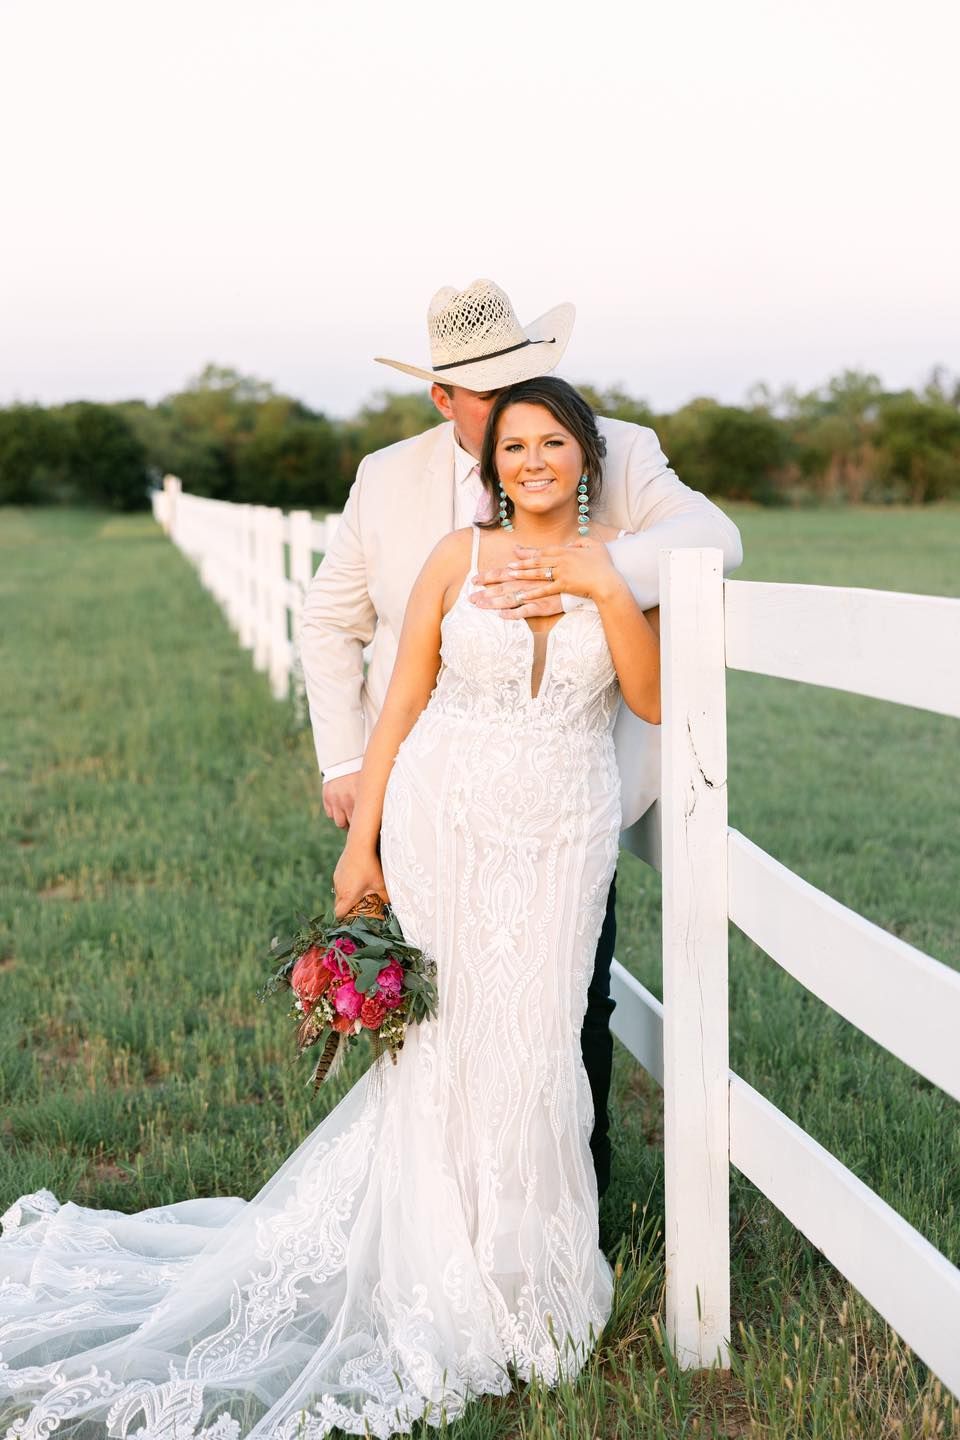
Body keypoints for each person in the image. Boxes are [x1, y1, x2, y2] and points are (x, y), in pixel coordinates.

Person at [0, 377, 660, 1438]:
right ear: (492, 464)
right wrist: (364, 843)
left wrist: (605, 584)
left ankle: (530, 1271)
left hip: (564, 829)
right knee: (446, 1041)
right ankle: (443, 1269)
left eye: (552, 444)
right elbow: (400, 703)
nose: (532, 462)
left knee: (538, 1037)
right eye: (513, 447)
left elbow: (654, 698)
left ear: (587, 455)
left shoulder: (620, 560)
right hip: (447, 815)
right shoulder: (459, 557)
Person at [301, 279, 743, 1196]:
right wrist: (350, 786)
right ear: (444, 399)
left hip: (570, 804)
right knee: (438, 1018)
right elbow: (335, 626)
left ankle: (564, 1214)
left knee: (565, 1010)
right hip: (434, 793)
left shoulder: (607, 451)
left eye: (530, 386)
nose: (520, 421)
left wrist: (595, 574)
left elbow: (716, 540)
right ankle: (436, 1214)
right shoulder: (390, 482)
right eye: (492, 400)